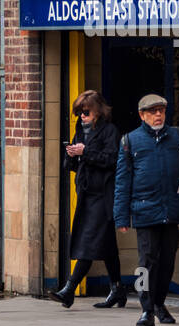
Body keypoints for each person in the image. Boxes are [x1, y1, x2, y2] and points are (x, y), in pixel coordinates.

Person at [113, 93, 179, 326]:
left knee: (167, 262)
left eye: (161, 111)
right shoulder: (130, 141)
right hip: (145, 211)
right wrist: (121, 216)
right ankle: (146, 309)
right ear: (142, 115)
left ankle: (159, 303)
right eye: (153, 112)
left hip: (172, 209)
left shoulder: (177, 136)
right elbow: (122, 182)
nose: (158, 115)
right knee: (146, 263)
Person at [51, 90, 125, 309]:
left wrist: (86, 152)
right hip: (86, 193)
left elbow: (112, 160)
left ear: (97, 111)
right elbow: (73, 167)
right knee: (107, 246)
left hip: (104, 195)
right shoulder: (80, 131)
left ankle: (69, 289)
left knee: (88, 242)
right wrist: (71, 155)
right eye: (79, 113)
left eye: (85, 112)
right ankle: (117, 289)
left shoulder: (109, 131)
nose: (82, 117)